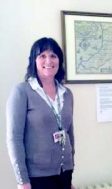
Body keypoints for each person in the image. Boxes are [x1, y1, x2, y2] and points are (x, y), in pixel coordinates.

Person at [6, 37, 75, 189]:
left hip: (65, 172)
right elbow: (14, 138)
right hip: (37, 177)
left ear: (59, 60)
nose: (48, 61)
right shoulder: (22, 92)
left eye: (53, 56)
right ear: (33, 61)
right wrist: (22, 180)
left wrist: (70, 170)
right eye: (42, 56)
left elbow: (69, 133)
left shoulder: (66, 93)